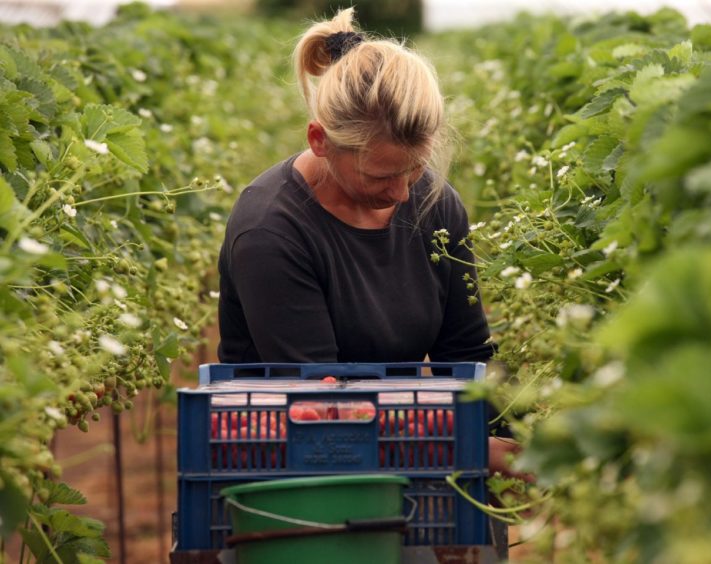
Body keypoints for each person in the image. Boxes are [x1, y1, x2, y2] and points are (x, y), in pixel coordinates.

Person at [216, 4, 522, 512]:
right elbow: (319, 407)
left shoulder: (435, 203)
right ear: (321, 141)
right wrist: (474, 449)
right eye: (380, 177)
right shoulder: (271, 231)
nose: (403, 193)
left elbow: (463, 353)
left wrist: (518, 438)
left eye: (414, 169)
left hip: (415, 454)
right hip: (291, 477)